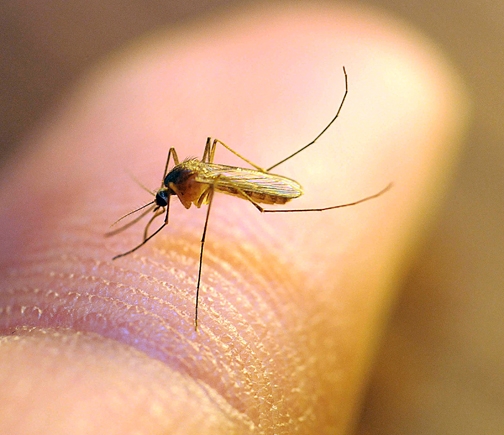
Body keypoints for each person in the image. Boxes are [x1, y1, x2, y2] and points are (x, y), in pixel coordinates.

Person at [0, 3, 467, 434]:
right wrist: (149, 216)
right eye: (164, 198)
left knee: (240, 193)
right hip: (208, 176)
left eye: (164, 197)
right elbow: (174, 195)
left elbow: (191, 198)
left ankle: (285, 173)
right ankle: (266, 175)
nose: (164, 203)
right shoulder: (175, 180)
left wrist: (217, 189)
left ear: (171, 188)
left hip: (240, 183)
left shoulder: (184, 181)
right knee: (210, 158)